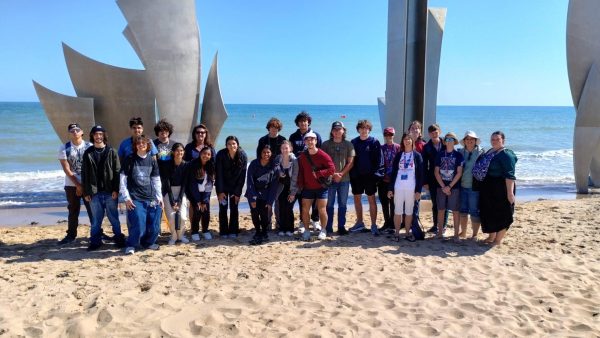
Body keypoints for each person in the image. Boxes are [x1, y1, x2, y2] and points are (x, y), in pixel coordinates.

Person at [82, 125, 126, 251]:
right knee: (96, 220)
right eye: (96, 134)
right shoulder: (88, 153)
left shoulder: (112, 151)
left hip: (109, 192)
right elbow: (84, 174)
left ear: (104, 136)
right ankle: (95, 241)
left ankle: (118, 238)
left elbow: (118, 171)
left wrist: (116, 190)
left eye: (100, 134)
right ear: (92, 136)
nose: (98, 136)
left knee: (114, 218)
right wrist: (86, 191)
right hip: (94, 193)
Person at [120, 135, 163, 254]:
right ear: (135, 146)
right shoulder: (129, 159)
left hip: (151, 197)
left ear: (148, 145)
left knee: (154, 225)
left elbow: (156, 179)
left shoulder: (152, 160)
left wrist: (159, 198)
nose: (141, 144)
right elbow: (122, 180)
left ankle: (149, 243)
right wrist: (127, 198)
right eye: (138, 143)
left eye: (143, 143)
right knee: (138, 224)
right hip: (135, 198)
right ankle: (131, 245)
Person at [474, 131, 517, 246]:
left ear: (503, 140)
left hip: (502, 188)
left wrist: (510, 193)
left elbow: (510, 175)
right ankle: (491, 236)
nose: (494, 141)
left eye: (497, 139)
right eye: (492, 139)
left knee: (503, 214)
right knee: (489, 213)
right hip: (488, 187)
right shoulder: (490, 151)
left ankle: (497, 240)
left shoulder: (507, 154)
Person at [57, 123, 93, 245]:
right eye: (72, 131)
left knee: (92, 210)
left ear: (82, 132)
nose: (75, 132)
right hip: (71, 184)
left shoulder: (90, 146)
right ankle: (71, 235)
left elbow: (93, 168)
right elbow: (66, 169)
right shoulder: (64, 148)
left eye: (77, 130)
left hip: (88, 184)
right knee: (73, 210)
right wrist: (78, 185)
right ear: (69, 133)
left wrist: (84, 185)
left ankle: (97, 232)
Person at [296, 131, 335, 241]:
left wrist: (319, 174)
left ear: (316, 141)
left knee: (322, 210)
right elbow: (301, 171)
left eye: (312, 139)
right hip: (307, 188)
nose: (310, 141)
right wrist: (300, 184)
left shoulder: (322, 154)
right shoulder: (303, 156)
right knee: (305, 209)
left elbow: (332, 169)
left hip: (321, 187)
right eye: (308, 140)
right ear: (305, 142)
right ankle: (307, 231)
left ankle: (323, 230)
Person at [349, 119, 384, 236]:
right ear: (358, 130)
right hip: (357, 177)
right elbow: (351, 160)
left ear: (369, 129)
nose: (364, 130)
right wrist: (353, 174)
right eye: (361, 128)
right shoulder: (353, 142)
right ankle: (359, 222)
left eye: (366, 128)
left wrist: (375, 175)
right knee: (357, 199)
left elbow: (379, 160)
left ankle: (374, 225)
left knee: (371, 200)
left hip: (370, 177)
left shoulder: (374, 142)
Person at [289, 111, 323, 232]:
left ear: (308, 122)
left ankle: (315, 220)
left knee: (314, 196)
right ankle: (303, 222)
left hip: (313, 170)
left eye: (305, 121)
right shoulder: (293, 137)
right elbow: (290, 153)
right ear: (297, 123)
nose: (303, 123)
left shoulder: (316, 135)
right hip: (298, 170)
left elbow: (320, 153)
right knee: (301, 196)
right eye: (301, 121)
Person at [387, 133, 424, 241]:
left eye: (409, 139)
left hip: (411, 189)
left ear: (412, 141)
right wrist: (390, 188)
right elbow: (393, 173)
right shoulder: (399, 155)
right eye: (405, 139)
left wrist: (418, 191)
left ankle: (407, 233)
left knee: (409, 212)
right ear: (402, 141)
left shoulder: (417, 155)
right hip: (398, 187)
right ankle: (397, 234)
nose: (407, 141)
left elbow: (421, 175)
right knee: (397, 211)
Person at [321, 121, 355, 236]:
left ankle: (341, 227)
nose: (337, 132)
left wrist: (340, 174)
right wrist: (333, 174)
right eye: (335, 129)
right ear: (331, 131)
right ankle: (328, 227)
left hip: (344, 180)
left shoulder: (348, 144)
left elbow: (350, 163)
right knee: (329, 204)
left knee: (342, 204)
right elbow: (322, 162)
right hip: (329, 180)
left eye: (339, 129)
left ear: (343, 131)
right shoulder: (325, 144)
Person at [256, 117, 286, 231]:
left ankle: (278, 223)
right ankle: (267, 223)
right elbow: (259, 157)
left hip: (279, 174)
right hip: (266, 173)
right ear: (268, 128)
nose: (274, 130)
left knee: (278, 200)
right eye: (272, 128)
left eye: (276, 128)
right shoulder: (263, 140)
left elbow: (286, 156)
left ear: (279, 129)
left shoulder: (283, 140)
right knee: (267, 200)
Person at [215, 136, 248, 238]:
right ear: (226, 145)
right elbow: (218, 174)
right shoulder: (221, 154)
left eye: (233, 143)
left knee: (234, 208)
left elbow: (242, 176)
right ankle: (224, 231)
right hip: (223, 185)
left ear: (237, 145)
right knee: (223, 208)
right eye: (229, 144)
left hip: (235, 186)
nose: (231, 146)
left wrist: (238, 192)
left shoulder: (243, 155)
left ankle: (234, 230)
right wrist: (220, 191)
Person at [246, 144, 279, 245]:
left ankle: (264, 231)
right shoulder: (254, 164)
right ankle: (257, 231)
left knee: (265, 215)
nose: (266, 154)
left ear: (271, 153)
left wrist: (270, 201)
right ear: (260, 153)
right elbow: (250, 181)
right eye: (264, 152)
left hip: (266, 193)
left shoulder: (274, 167)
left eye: (268, 152)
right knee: (255, 213)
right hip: (253, 191)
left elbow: (274, 186)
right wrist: (252, 198)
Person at [434, 132, 464, 240]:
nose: (449, 141)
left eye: (451, 139)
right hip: (441, 186)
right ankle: (440, 233)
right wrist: (443, 187)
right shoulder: (440, 154)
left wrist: (449, 187)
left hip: (454, 187)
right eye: (447, 139)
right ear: (444, 141)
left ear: (455, 142)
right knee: (441, 210)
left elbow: (459, 173)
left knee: (455, 211)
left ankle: (456, 235)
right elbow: (436, 172)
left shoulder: (459, 155)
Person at [158, 142, 190, 245]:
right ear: (173, 152)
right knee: (172, 217)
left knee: (183, 217)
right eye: (177, 150)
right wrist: (172, 202)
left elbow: (185, 184)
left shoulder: (186, 165)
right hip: (168, 192)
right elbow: (166, 183)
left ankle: (181, 235)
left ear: (183, 152)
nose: (179, 153)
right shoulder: (167, 165)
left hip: (181, 192)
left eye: (181, 150)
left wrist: (179, 201)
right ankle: (174, 236)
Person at [458, 131, 484, 240]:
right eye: (467, 139)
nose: (469, 141)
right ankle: (463, 232)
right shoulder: (460, 152)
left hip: (475, 187)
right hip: (462, 185)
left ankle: (474, 235)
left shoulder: (481, 153)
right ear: (464, 141)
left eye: (471, 139)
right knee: (463, 211)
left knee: (474, 211)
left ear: (475, 141)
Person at [422, 124, 448, 233]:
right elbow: (424, 165)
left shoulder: (446, 144)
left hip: (446, 178)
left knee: (445, 203)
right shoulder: (427, 147)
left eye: (436, 132)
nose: (434, 134)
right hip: (432, 179)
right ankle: (435, 225)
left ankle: (444, 226)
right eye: (432, 132)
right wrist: (425, 181)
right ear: (429, 134)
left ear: (439, 132)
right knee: (435, 203)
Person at [186, 146, 215, 241]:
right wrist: (198, 200)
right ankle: (194, 231)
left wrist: (204, 200)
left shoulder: (211, 165)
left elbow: (210, 184)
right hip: (193, 192)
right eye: (204, 153)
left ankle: (205, 230)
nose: (206, 156)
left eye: (208, 154)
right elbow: (192, 184)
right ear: (200, 154)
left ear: (210, 156)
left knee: (206, 211)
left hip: (205, 192)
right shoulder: (193, 164)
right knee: (197, 211)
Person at [378, 126, 401, 233]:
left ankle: (392, 223)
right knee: (384, 202)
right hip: (383, 180)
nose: (388, 137)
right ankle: (386, 222)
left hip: (395, 181)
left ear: (393, 135)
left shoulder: (398, 147)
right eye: (386, 135)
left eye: (390, 135)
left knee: (393, 203)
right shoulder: (381, 148)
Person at [274, 140, 297, 237]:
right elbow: (274, 170)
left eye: (286, 148)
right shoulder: (278, 159)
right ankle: (282, 228)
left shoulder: (295, 160)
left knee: (289, 208)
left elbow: (296, 176)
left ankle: (290, 229)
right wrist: (278, 172)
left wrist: (293, 193)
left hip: (291, 188)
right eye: (283, 148)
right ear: (280, 149)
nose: (284, 150)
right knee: (281, 208)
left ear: (290, 149)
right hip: (280, 188)